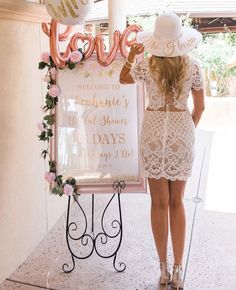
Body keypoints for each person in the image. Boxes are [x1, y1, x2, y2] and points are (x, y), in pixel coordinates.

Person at [119, 12, 205, 289]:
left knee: (158, 203)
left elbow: (123, 78)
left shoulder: (146, 64)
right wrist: (185, 131)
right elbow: (200, 108)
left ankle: (164, 270)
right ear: (179, 39)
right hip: (182, 131)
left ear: (156, 38)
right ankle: (179, 271)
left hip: (154, 132)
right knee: (177, 202)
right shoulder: (193, 66)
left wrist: (132, 53)